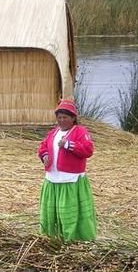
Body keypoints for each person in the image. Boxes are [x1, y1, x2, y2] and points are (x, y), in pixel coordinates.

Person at [37, 99, 97, 242]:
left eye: (65, 117)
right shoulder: (53, 132)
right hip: (52, 179)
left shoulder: (80, 132)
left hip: (70, 181)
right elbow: (43, 146)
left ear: (73, 118)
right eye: (59, 117)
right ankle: (51, 237)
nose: (62, 120)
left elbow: (88, 150)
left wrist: (69, 144)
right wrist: (44, 155)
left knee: (68, 213)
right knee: (51, 213)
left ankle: (73, 239)